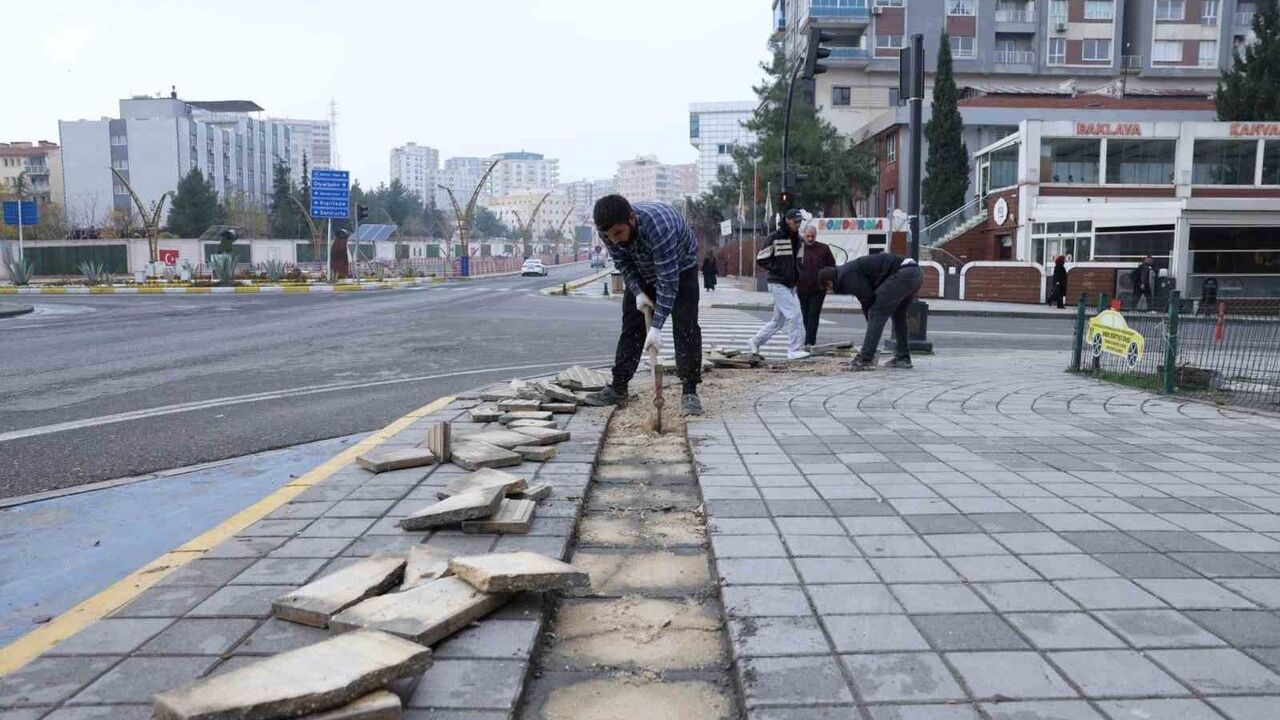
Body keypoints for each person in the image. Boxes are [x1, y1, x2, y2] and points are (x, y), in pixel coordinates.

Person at [582, 194, 705, 416]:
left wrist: (656, 328)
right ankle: (618, 388)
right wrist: (638, 292)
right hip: (640, 270)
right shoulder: (607, 230)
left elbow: (668, 283)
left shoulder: (660, 226)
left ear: (631, 218)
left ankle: (689, 391)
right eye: (610, 236)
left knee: (685, 326)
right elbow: (623, 264)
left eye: (618, 233)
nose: (615, 240)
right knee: (631, 326)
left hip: (680, 268)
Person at [818, 251, 923, 371]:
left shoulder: (845, 276)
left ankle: (865, 358)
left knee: (877, 312)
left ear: (829, 282)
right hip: (915, 273)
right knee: (898, 315)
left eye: (828, 288)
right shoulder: (847, 272)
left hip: (903, 274)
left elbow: (868, 298)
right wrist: (871, 322)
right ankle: (903, 357)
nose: (829, 290)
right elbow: (865, 297)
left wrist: (872, 322)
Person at [747, 209, 809, 361]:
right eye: (796, 222)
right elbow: (761, 258)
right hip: (777, 283)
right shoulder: (774, 237)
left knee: (778, 321)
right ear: (787, 220)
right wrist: (779, 269)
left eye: (800, 222)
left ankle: (755, 341)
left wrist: (797, 276)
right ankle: (793, 350)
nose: (798, 224)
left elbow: (799, 262)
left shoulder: (799, 240)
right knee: (794, 315)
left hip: (790, 285)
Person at [796, 221, 836, 349]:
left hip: (819, 288)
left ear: (816, 236)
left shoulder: (824, 249)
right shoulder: (798, 248)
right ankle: (808, 338)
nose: (810, 239)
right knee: (805, 314)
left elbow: (831, 266)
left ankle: (810, 342)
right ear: (803, 235)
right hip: (802, 287)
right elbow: (793, 266)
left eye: (812, 236)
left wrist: (829, 283)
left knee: (814, 314)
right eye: (808, 236)